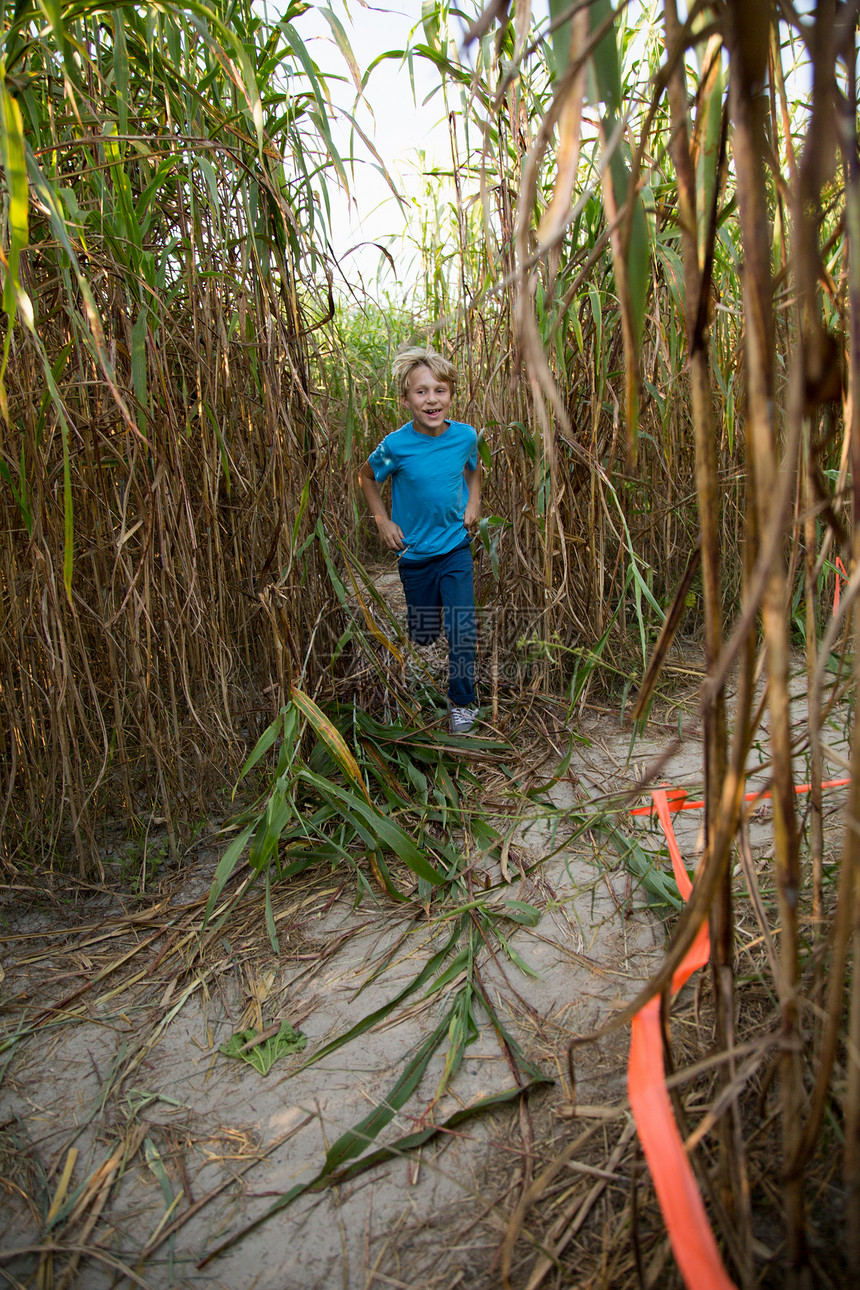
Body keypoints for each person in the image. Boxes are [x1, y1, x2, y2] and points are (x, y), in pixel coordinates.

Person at [357, 346, 481, 734]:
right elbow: (365, 477)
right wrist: (382, 520)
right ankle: (428, 625)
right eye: (421, 392)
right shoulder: (396, 446)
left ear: (451, 394)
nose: (432, 400)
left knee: (462, 627)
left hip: (455, 547)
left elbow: (475, 470)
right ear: (406, 399)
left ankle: (462, 702)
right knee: (425, 634)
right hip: (415, 554)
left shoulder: (465, 436)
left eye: (440, 390)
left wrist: (473, 502)